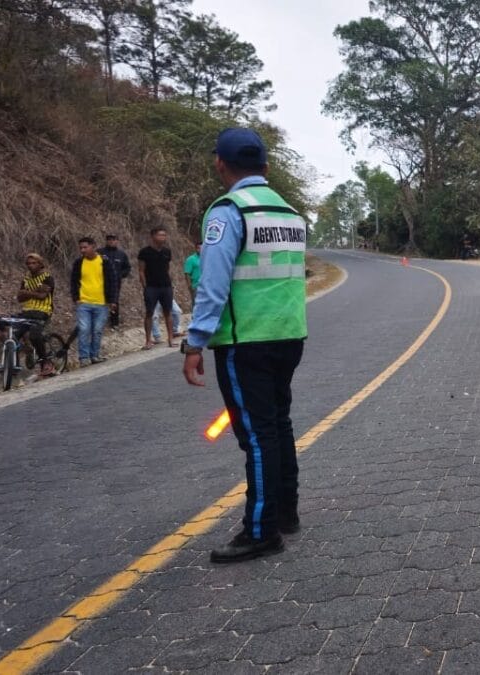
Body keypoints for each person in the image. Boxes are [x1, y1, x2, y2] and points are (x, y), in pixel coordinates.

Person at [183, 127, 309, 563]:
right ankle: (284, 513)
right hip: (289, 334)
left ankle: (260, 530)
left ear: (220, 163)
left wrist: (194, 341)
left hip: (245, 341)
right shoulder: (290, 212)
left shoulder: (227, 211)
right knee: (279, 425)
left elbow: (212, 285)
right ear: (267, 168)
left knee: (257, 436)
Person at [70, 237, 119, 366]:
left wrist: (113, 300)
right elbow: (73, 281)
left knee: (97, 330)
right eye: (81, 248)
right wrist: (76, 298)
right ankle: (84, 357)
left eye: (85, 247)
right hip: (84, 302)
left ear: (93, 246)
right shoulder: (79, 262)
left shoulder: (104, 261)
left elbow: (113, 281)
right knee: (84, 329)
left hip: (101, 303)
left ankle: (94, 355)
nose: (82, 250)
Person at [15, 253, 57, 377]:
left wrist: (26, 292)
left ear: (40, 264)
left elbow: (42, 296)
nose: (31, 266)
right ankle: (18, 360)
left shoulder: (47, 277)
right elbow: (19, 298)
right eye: (28, 263)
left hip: (43, 311)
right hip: (27, 310)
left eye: (34, 263)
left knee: (35, 335)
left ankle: (46, 362)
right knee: (13, 334)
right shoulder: (26, 279)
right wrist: (34, 292)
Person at [138, 227, 177, 349]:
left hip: (165, 286)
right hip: (151, 287)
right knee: (149, 312)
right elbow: (141, 271)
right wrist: (145, 286)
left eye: (164, 235)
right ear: (153, 236)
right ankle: (148, 340)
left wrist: (170, 283)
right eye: (160, 235)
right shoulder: (145, 252)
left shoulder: (167, 251)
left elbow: (167, 268)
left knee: (168, 312)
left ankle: (171, 339)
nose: (163, 237)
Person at [99, 234, 132, 327]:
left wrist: (120, 275)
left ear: (117, 241)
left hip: (115, 282)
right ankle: (100, 321)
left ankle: (114, 323)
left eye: (114, 239)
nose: (111, 241)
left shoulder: (121, 254)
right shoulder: (100, 252)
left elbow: (127, 267)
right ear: (106, 241)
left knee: (114, 300)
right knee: (101, 300)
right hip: (101, 281)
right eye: (109, 239)